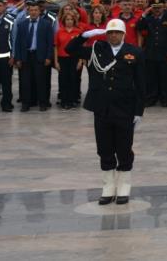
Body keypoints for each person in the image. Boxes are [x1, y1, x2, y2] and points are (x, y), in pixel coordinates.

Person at [67, 19, 146, 205]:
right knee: (104, 148)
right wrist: (83, 36)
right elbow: (70, 49)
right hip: (102, 107)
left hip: (125, 108)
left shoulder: (135, 52)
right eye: (110, 32)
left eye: (117, 32)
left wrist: (139, 111)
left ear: (123, 34)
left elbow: (141, 84)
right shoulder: (97, 49)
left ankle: (123, 187)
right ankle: (108, 188)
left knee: (124, 149)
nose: (113, 35)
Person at [53, 10, 83, 110]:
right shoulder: (59, 32)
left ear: (74, 20)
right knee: (63, 79)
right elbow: (56, 47)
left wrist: (80, 61)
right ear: (64, 21)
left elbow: (81, 47)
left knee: (73, 79)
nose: (69, 21)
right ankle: (64, 100)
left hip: (74, 58)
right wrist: (56, 61)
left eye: (71, 19)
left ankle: (72, 100)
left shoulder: (78, 32)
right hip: (62, 58)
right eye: (67, 19)